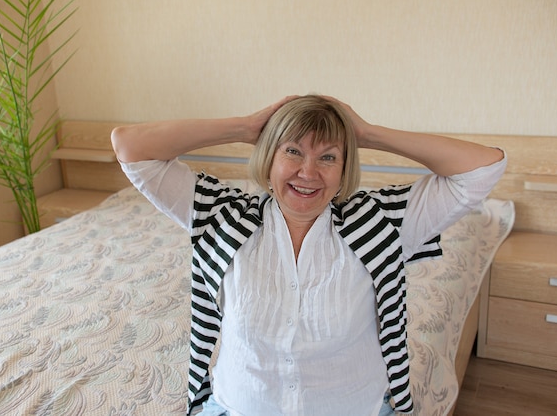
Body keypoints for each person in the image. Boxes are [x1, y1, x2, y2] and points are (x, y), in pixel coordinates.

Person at [111, 95, 506, 416]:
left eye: (328, 157)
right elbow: (129, 146)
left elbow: (483, 167)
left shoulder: (381, 222)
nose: (308, 172)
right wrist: (244, 127)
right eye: (293, 151)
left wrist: (366, 134)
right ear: (268, 159)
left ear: (344, 168)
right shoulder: (222, 215)